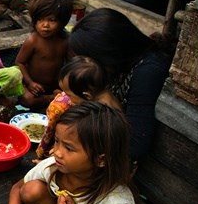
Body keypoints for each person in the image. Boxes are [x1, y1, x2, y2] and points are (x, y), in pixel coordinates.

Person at [0, 102, 142, 204]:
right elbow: (18, 188)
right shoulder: (54, 166)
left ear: (100, 160)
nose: (57, 152)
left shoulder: (114, 201)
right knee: (31, 189)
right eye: (57, 141)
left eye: (69, 148)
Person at [69, 8, 173, 160]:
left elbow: (136, 145)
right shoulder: (125, 62)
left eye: (92, 61)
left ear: (108, 55)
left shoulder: (147, 72)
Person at [35, 55, 121, 160]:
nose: (66, 97)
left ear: (87, 96)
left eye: (69, 95)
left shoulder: (101, 115)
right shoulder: (99, 92)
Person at [16, 0, 72, 110]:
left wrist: (65, 86)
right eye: (40, 19)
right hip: (34, 85)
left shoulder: (65, 40)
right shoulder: (33, 40)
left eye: (52, 20)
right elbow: (20, 62)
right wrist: (30, 83)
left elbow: (72, 64)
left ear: (63, 22)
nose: (45, 25)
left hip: (56, 84)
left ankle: (54, 96)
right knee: (26, 99)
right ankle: (51, 98)